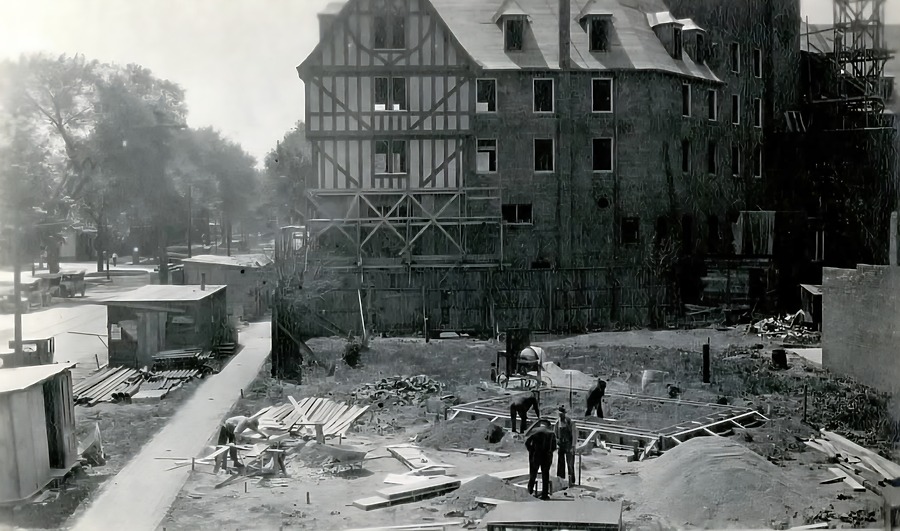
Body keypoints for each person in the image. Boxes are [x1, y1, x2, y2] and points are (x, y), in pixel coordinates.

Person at [525, 419, 556, 500]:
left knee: (533, 474)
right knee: (545, 475)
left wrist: (531, 450)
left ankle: (529, 491)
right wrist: (549, 452)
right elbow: (554, 447)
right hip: (546, 456)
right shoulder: (551, 433)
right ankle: (544, 495)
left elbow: (527, 442)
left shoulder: (535, 431)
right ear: (549, 426)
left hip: (536, 455)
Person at [554, 405, 576, 488]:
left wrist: (573, 446)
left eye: (562, 414)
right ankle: (561, 480)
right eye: (559, 414)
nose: (561, 416)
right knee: (560, 463)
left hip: (568, 444)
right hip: (561, 445)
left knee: (570, 463)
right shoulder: (557, 423)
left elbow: (574, 435)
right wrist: (557, 444)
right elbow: (555, 434)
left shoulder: (570, 422)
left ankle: (571, 481)